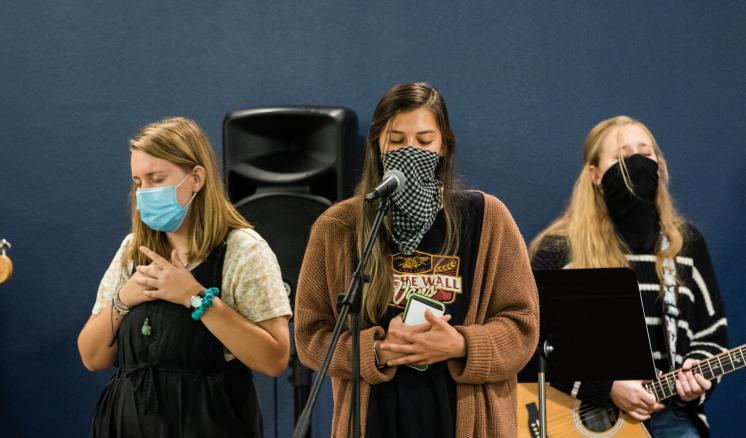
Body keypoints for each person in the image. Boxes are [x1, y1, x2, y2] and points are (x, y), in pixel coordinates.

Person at [294, 82, 539, 437]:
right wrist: (377, 351)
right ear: (377, 144)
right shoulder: (339, 226)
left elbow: (523, 327)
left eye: (424, 141)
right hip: (377, 420)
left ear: (444, 147)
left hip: (462, 420)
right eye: (396, 140)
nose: (410, 151)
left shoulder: (487, 218)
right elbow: (310, 336)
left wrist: (461, 345)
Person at [77, 117, 292, 438]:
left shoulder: (243, 250)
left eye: (157, 178)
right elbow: (92, 357)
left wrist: (195, 298)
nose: (145, 192)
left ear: (196, 178)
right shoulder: (132, 250)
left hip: (210, 422)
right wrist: (123, 300)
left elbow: (274, 359)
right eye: (138, 182)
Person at [529, 115, 728, 437]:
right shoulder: (558, 249)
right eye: (622, 156)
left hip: (671, 417)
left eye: (646, 153)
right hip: (581, 420)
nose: (637, 163)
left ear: (660, 167)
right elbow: (532, 341)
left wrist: (697, 375)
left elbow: (712, 334)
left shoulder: (686, 244)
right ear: (594, 174)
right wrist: (605, 387)